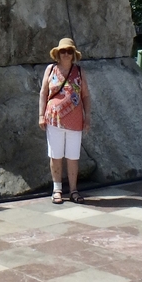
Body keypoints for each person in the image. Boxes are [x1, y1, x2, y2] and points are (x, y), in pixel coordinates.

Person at [39, 37, 91, 204]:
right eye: (63, 51)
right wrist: (41, 115)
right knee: (55, 154)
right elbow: (43, 93)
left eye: (69, 51)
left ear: (73, 54)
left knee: (73, 156)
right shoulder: (51, 70)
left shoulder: (79, 71)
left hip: (75, 120)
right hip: (54, 119)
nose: (66, 54)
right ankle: (57, 189)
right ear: (58, 54)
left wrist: (87, 116)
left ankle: (74, 189)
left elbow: (85, 95)